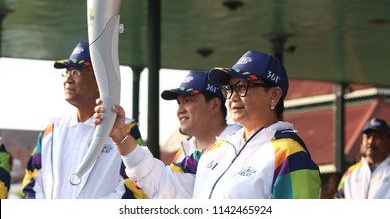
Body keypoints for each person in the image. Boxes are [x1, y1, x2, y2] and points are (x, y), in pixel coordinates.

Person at [95, 50, 322, 199]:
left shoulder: (289, 155)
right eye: (229, 89)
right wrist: (122, 139)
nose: (232, 96)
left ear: (274, 96)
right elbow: (165, 185)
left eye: (242, 86)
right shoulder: (216, 150)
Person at [22, 41, 144, 199]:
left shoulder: (125, 129)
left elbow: (136, 186)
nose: (68, 79)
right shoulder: (51, 131)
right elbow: (31, 181)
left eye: (76, 72)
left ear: (100, 81)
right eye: (66, 72)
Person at [160, 70, 241, 163]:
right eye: (179, 103)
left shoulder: (242, 142)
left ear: (214, 105)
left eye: (187, 101)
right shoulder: (182, 154)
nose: (180, 110)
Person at [335, 117, 390, 199]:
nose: (370, 141)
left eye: (376, 137)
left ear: (388, 140)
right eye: (367, 137)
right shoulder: (350, 172)